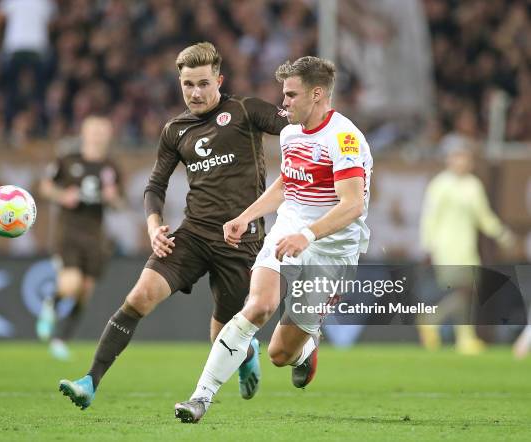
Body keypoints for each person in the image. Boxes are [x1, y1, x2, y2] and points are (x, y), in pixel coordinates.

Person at [58, 42, 289, 409]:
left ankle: (245, 354)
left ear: (219, 80)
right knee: (138, 297)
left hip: (240, 242)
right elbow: (155, 186)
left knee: (222, 337)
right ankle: (90, 381)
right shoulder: (175, 130)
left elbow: (297, 129)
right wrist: (154, 226)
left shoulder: (246, 111)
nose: (195, 93)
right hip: (193, 234)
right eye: (187, 85)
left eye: (202, 83)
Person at [174, 56, 373, 423]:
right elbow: (287, 182)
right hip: (289, 229)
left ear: (317, 95)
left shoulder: (343, 138)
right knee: (258, 306)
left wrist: (308, 235)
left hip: (332, 246)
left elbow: (353, 205)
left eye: (291, 95)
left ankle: (305, 351)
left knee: (279, 354)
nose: (283, 103)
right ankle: (200, 397)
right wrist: (245, 216)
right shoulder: (290, 132)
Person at [36, 115, 124, 360]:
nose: (97, 135)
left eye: (102, 131)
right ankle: (51, 304)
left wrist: (112, 196)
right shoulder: (67, 161)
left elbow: (119, 204)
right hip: (69, 233)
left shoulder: (110, 167)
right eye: (93, 130)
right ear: (84, 133)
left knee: (85, 292)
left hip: (95, 237)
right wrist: (62, 195)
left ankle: (60, 339)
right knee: (71, 284)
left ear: (108, 135)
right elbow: (44, 187)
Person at [418, 144, 514, 355]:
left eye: (464, 157)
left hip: (467, 247)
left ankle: (463, 338)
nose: (460, 162)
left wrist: (501, 233)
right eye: (456, 157)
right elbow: (429, 217)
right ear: (449, 160)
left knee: (466, 293)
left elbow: (483, 216)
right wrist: (427, 245)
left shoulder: (473, 185)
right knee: (463, 290)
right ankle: (433, 319)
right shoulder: (440, 184)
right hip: (445, 247)